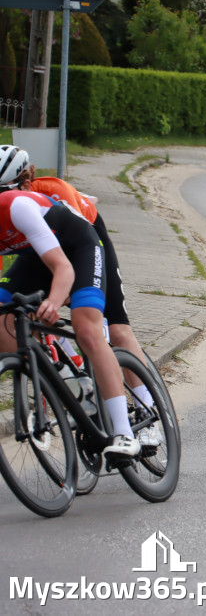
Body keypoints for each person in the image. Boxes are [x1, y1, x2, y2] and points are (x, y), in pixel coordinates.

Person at [0, 147, 142, 460]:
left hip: (78, 246)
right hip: (36, 257)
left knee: (86, 328)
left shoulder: (17, 206)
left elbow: (63, 268)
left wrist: (53, 300)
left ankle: (125, 433)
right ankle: (56, 376)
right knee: (3, 323)